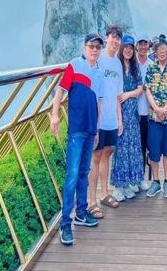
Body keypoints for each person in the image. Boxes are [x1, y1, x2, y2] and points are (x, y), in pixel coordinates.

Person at [51, 33, 104, 245]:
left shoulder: (99, 73)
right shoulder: (74, 65)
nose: (94, 50)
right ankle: (65, 222)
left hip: (91, 130)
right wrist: (54, 114)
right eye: (91, 46)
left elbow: (98, 103)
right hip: (76, 130)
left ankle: (81, 213)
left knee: (84, 172)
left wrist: (98, 129)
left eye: (98, 47)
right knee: (72, 175)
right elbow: (60, 91)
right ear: (84, 48)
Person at [88, 24, 123, 219]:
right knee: (96, 155)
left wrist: (120, 119)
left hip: (111, 117)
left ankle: (104, 194)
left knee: (107, 153)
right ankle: (91, 201)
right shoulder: (98, 58)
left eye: (118, 38)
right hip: (98, 117)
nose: (115, 40)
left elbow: (118, 94)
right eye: (112, 37)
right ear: (107, 38)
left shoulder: (117, 63)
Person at [110, 35, 145, 201]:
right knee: (121, 150)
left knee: (133, 148)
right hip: (120, 113)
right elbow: (115, 93)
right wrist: (119, 119)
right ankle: (119, 186)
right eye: (126, 47)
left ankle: (131, 181)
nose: (129, 50)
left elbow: (140, 89)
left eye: (131, 48)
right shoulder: (116, 66)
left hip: (132, 114)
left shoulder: (134, 67)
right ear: (122, 48)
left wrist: (127, 94)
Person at [145, 38, 167, 198]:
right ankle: (155, 182)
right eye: (159, 49)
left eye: (164, 49)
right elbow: (147, 90)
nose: (161, 52)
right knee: (154, 150)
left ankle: (166, 181)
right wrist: (156, 109)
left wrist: (164, 110)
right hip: (154, 116)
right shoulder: (151, 68)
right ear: (155, 52)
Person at [136, 34, 152, 190]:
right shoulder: (132, 64)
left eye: (145, 44)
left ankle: (141, 178)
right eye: (140, 44)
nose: (142, 47)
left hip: (148, 112)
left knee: (145, 146)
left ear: (148, 46)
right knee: (134, 146)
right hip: (133, 113)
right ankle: (135, 177)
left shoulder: (151, 65)